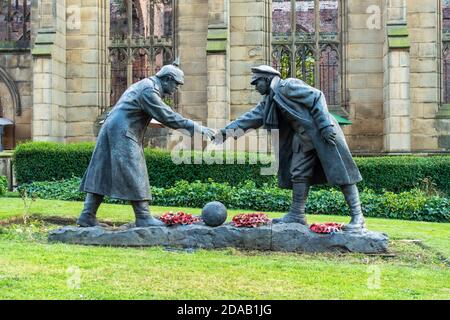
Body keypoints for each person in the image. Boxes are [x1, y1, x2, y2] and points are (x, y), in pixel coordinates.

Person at [214, 65, 365, 231]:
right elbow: (250, 118)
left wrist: (325, 126)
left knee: (342, 173)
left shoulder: (288, 86)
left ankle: (358, 217)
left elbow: (317, 96)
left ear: (266, 79)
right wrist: (225, 133)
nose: (255, 88)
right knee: (298, 173)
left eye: (256, 83)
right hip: (302, 139)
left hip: (323, 133)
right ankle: (297, 214)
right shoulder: (269, 101)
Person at [77, 61, 215, 227]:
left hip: (112, 129)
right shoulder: (149, 90)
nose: (176, 89)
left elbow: (142, 113)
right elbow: (167, 115)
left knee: (102, 171)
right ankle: (143, 216)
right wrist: (196, 127)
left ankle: (87, 215)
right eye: (176, 84)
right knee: (135, 170)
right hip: (123, 132)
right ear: (167, 79)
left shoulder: (145, 85)